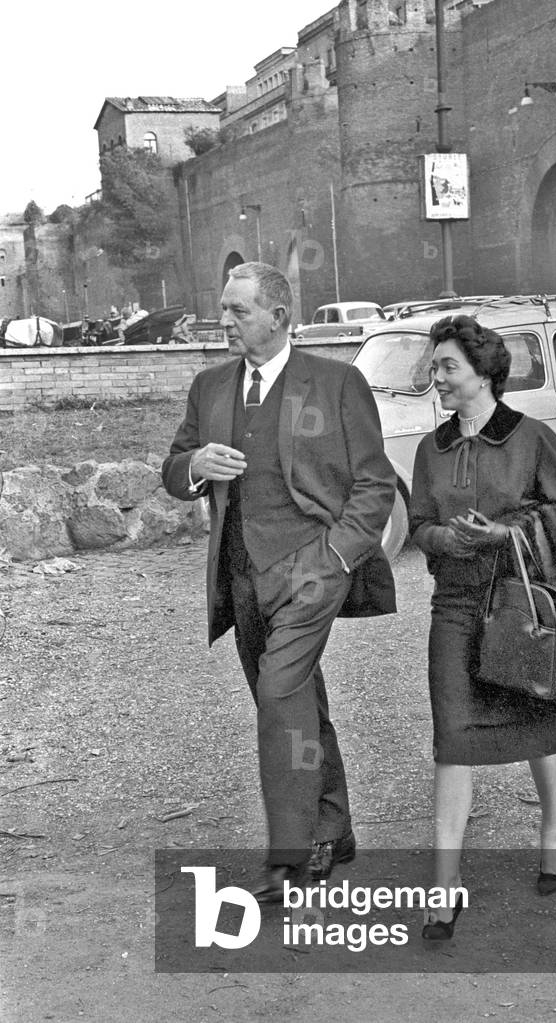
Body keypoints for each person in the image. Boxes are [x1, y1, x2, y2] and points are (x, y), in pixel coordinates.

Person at [162, 262, 396, 901]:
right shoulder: (209, 386)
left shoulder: (337, 382)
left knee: (279, 696)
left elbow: (375, 483)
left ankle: (289, 856)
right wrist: (194, 465)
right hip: (240, 575)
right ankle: (332, 828)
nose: (225, 321)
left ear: (279, 317)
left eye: (238, 310)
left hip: (313, 572)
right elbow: (172, 467)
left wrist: (338, 558)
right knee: (294, 700)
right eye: (224, 309)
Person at [409, 314, 556, 942]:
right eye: (435, 367)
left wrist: (507, 533)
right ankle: (445, 884)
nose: (438, 377)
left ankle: (552, 828)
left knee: (537, 726)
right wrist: (445, 538)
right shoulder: (432, 449)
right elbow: (418, 522)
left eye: (448, 366)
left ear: (484, 373)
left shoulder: (531, 438)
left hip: (525, 608)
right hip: (454, 609)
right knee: (452, 737)